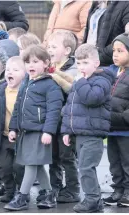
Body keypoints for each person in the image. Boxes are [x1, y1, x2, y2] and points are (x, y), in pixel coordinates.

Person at [4, 45, 64, 211]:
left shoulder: (50, 85)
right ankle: (49, 194)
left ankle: (22, 197)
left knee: (31, 164)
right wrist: (13, 128)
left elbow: (54, 110)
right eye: (28, 62)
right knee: (35, 165)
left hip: (40, 132)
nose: (31, 65)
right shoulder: (26, 83)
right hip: (26, 131)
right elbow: (18, 107)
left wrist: (48, 131)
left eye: (35, 62)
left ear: (46, 63)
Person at [61, 44, 115, 213]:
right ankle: (95, 201)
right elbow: (70, 108)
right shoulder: (80, 82)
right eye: (79, 63)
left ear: (96, 63)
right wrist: (67, 130)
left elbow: (92, 98)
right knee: (83, 167)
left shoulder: (102, 81)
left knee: (86, 167)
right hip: (80, 134)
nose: (81, 67)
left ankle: (91, 199)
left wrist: (81, 81)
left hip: (93, 135)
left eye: (85, 63)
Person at [43, 30, 80, 204]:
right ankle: (55, 187)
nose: (49, 49)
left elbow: (70, 88)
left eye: (54, 46)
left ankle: (73, 190)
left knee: (67, 156)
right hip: (53, 121)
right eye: (48, 46)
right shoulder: (51, 67)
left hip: (67, 121)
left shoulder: (72, 68)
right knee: (53, 156)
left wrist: (53, 76)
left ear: (66, 50)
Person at [0, 56, 26, 203]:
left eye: (16, 70)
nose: (10, 72)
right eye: (8, 69)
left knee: (19, 166)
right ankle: (10, 191)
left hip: (21, 135)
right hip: (3, 135)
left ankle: (22, 192)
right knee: (4, 167)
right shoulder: (0, 89)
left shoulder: (26, 89)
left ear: (24, 73)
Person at [103, 33, 129, 207]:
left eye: (120, 50)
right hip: (111, 127)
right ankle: (118, 189)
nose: (115, 54)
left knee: (127, 162)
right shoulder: (112, 71)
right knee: (114, 161)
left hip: (126, 129)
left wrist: (123, 118)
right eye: (114, 50)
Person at [83, 0, 129, 66]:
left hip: (108, 63)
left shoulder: (125, 4)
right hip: (88, 59)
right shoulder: (97, 3)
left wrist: (101, 55)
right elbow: (89, 32)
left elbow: (127, 37)